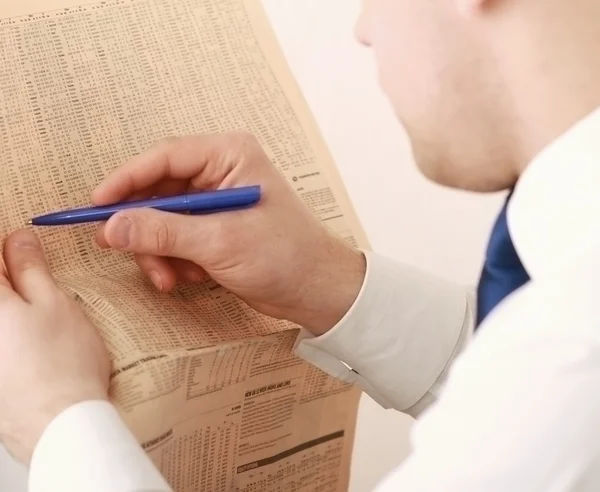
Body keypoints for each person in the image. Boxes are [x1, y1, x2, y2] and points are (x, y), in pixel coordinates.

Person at [2, 0, 600, 490]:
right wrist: (325, 280)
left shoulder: (572, 355)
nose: (364, 29)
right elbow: (509, 390)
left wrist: (57, 417)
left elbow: (546, 391)